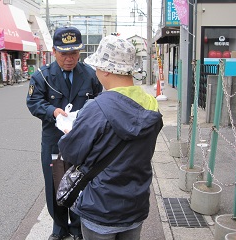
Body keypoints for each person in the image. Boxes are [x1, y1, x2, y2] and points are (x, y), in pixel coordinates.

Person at [58, 35, 163, 240]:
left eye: (97, 67)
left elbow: (71, 152)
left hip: (101, 205)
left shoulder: (96, 108)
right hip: (136, 202)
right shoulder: (151, 103)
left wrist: (72, 133)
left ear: (105, 70)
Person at [26, 26, 102, 240]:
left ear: (81, 52)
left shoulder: (90, 74)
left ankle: (78, 229)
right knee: (55, 184)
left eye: (74, 53)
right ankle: (59, 228)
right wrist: (52, 111)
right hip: (54, 141)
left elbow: (100, 102)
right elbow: (33, 102)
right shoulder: (42, 76)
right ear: (54, 51)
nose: (69, 58)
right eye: (64, 53)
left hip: (83, 142)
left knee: (81, 183)